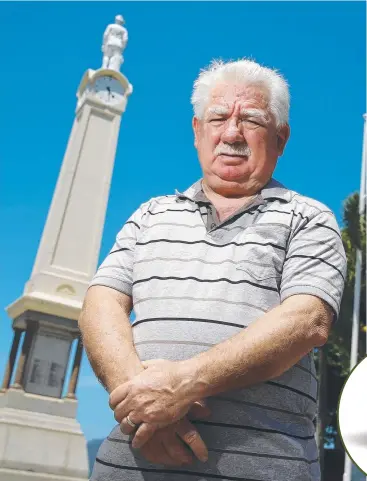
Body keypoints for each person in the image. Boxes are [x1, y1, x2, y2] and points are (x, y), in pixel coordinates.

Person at [80, 58, 347, 481]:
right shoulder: (148, 215)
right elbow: (100, 303)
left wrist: (183, 383)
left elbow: (307, 320)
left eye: (252, 120)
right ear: (197, 131)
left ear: (281, 138)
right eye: (218, 117)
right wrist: (144, 406)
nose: (232, 133)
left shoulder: (309, 219)